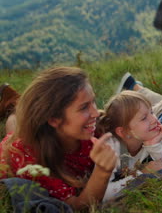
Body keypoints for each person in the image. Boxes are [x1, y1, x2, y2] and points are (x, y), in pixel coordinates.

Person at [0, 67, 118, 209]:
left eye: (93, 101)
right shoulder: (33, 162)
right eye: (84, 107)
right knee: (15, 132)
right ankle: (13, 108)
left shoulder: (86, 130)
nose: (95, 113)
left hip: (40, 133)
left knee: (15, 126)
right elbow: (78, 207)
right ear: (54, 119)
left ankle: (13, 105)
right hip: (16, 152)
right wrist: (102, 171)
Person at [96, 90, 162, 201]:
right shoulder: (112, 149)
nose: (154, 120)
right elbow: (103, 194)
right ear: (123, 132)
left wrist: (153, 146)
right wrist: (141, 175)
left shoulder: (152, 134)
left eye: (151, 112)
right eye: (144, 118)